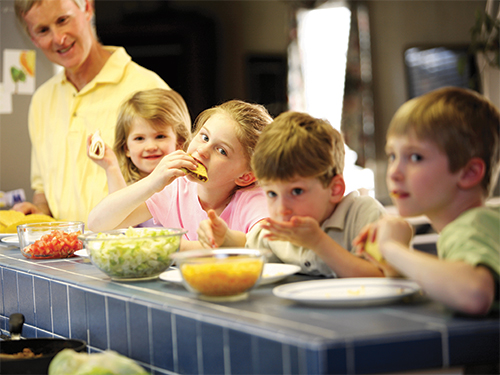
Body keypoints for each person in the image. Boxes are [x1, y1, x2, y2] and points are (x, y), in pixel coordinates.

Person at [12, 0, 169, 223]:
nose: (58, 38)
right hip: (64, 252)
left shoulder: (147, 88)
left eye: (62, 20)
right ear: (33, 38)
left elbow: (178, 184)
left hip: (130, 250)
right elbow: (42, 189)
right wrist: (38, 210)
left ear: (87, 8)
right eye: (43, 30)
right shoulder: (41, 100)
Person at [354, 87, 500, 315]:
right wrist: (394, 266)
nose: (394, 172)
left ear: (469, 173)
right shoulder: (483, 224)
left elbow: (475, 294)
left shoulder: (468, 228)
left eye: (415, 157)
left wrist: (392, 248)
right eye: (392, 155)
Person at [198, 111, 385, 277]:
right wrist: (224, 237)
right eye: (272, 194)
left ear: (334, 189)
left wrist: (319, 243)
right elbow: (250, 242)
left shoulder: (363, 215)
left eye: (296, 191)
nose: (281, 208)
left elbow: (381, 277)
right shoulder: (282, 228)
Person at [87, 100, 273, 249]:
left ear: (245, 176)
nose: (202, 150)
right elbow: (98, 224)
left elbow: (267, 247)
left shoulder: (254, 199)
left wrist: (178, 246)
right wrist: (152, 182)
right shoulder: (176, 189)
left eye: (222, 151)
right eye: (204, 137)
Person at [87, 88, 191, 227]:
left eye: (160, 136)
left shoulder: (184, 184)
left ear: (179, 142)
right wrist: (111, 166)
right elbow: (117, 222)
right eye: (139, 138)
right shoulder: (132, 185)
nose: (150, 146)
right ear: (126, 148)